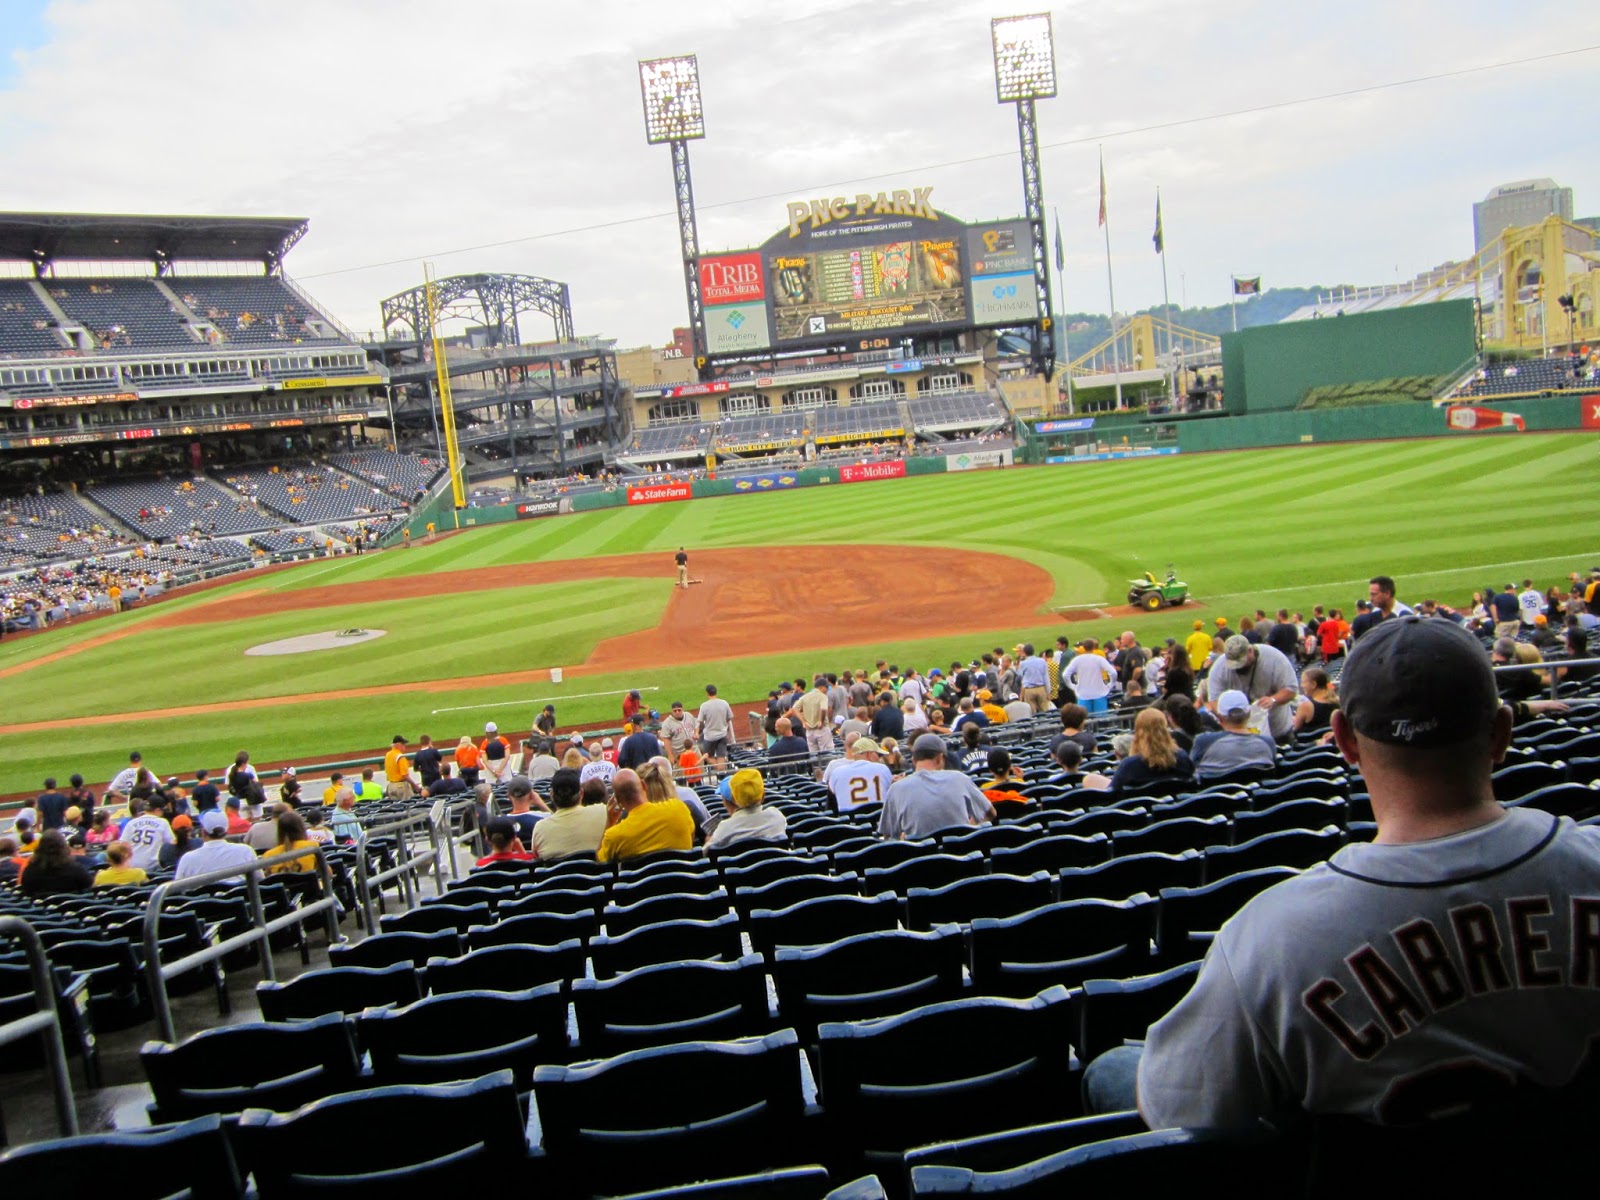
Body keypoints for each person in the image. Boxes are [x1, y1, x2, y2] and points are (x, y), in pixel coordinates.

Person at [1095, 615, 1600, 1131]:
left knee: (1110, 1067)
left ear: (1344, 740)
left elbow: (1181, 1118)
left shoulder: (1269, 938)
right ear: (1502, 733)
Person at [879, 734, 994, 840]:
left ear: (913, 761)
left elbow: (888, 836)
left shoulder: (896, 789)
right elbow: (990, 813)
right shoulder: (960, 778)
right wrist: (970, 828)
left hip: (922, 855)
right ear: (940, 758)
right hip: (961, 853)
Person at [1206, 634, 1298, 743]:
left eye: (1241, 663)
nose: (1238, 668)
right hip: (1238, 735)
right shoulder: (1219, 667)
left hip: (1277, 729)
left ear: (1250, 651)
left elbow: (1291, 689)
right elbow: (1214, 699)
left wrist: (1273, 699)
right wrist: (1230, 718)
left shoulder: (1275, 658)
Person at [597, 769, 694, 863]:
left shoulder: (614, 836)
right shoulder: (679, 808)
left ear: (617, 800)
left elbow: (600, 863)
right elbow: (691, 836)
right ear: (644, 785)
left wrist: (610, 822)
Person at [1191, 690, 1277, 778]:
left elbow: (1190, 772)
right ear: (1249, 714)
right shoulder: (1268, 742)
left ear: (1219, 717)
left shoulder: (1203, 741)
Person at [1109, 708, 1195, 793]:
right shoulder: (1182, 758)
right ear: (1165, 729)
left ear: (1138, 732)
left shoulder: (1129, 765)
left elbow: (1111, 794)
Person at [530, 767, 607, 860]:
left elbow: (536, 857)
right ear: (581, 793)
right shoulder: (603, 812)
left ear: (552, 796)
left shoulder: (540, 828)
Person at [705, 768, 788, 851]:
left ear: (734, 799)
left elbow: (707, 851)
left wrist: (709, 840)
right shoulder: (776, 816)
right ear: (763, 796)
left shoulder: (724, 828)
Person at [176, 811, 259, 881]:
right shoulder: (246, 851)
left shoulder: (187, 859)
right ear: (226, 831)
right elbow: (259, 879)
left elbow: (177, 889)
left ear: (203, 832)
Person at [829, 737, 894, 814]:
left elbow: (831, 808)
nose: (879, 758)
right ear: (869, 754)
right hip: (879, 819)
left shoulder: (837, 773)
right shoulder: (882, 769)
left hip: (850, 820)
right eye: (878, 755)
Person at [19, 831, 90, 896]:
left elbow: (26, 891)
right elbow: (88, 888)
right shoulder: (77, 869)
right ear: (64, 848)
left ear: (40, 848)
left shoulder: (30, 872)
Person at [119, 798, 174, 874]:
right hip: (154, 867)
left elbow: (121, 845)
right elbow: (171, 843)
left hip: (133, 866)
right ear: (158, 810)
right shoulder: (163, 822)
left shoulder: (131, 823)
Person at [1063, 640, 1115, 715]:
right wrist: (1110, 684)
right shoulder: (1099, 659)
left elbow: (1065, 674)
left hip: (1083, 694)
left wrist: (1072, 686)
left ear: (1083, 647)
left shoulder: (1077, 660)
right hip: (1099, 693)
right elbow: (1113, 673)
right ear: (1093, 647)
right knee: (1101, 720)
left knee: (1084, 719)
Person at [697, 684, 736, 778]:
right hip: (722, 734)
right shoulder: (724, 703)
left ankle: (719, 769)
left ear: (707, 693)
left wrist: (696, 732)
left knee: (706, 756)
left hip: (709, 737)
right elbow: (730, 717)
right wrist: (723, 724)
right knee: (721, 757)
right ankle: (722, 773)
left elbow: (700, 721)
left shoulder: (704, 706)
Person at [1293, 667, 1339, 735]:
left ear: (1313, 684)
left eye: (1303, 682)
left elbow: (1295, 729)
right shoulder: (1338, 701)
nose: (1301, 685)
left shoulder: (1306, 706)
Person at [479, 724, 512, 788]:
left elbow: (484, 760)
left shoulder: (484, 743)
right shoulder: (503, 740)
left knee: (492, 788)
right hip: (503, 767)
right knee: (507, 786)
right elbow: (507, 756)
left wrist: (494, 771)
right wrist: (500, 770)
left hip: (491, 768)